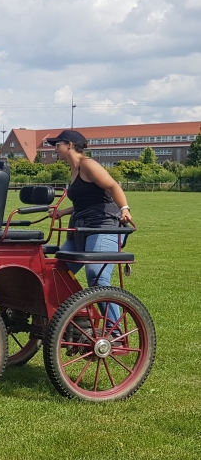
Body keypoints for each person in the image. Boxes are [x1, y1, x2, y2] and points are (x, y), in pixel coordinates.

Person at [48, 129, 133, 327]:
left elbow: (112, 187)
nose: (54, 149)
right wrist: (63, 212)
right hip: (81, 226)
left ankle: (114, 331)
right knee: (58, 273)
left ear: (69, 145)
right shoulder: (74, 169)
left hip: (103, 225)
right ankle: (78, 319)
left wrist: (125, 208)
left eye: (57, 144)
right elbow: (86, 201)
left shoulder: (88, 165)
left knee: (97, 274)